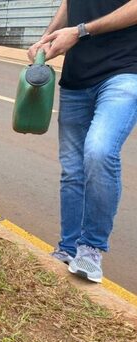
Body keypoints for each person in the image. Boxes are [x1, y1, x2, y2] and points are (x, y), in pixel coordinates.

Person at [28, 0, 137, 283]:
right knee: (73, 169)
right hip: (76, 78)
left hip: (124, 71)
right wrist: (46, 39)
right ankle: (68, 247)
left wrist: (80, 31)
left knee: (99, 151)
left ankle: (90, 249)